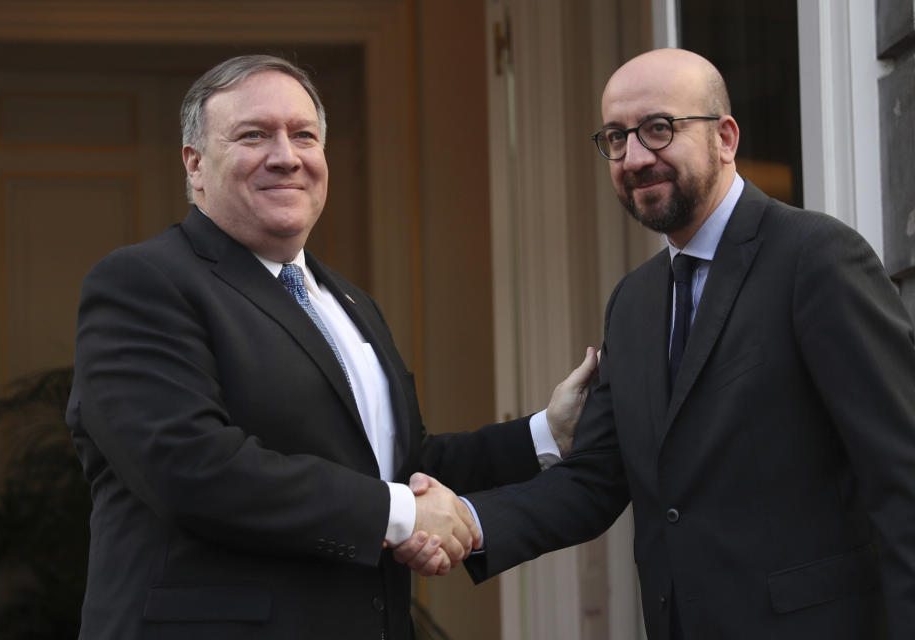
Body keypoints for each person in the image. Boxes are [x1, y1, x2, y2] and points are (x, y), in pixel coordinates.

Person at [65, 54, 597, 640]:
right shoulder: (143, 281)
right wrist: (399, 516)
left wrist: (546, 435)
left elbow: (401, 468)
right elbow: (189, 466)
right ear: (195, 165)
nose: (286, 156)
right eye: (253, 135)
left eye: (304, 136)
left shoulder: (347, 301)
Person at [402, 48, 915, 640]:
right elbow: (594, 480)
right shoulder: (634, 302)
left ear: (725, 137)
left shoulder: (817, 259)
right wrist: (469, 518)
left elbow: (902, 478)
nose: (636, 157)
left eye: (659, 129)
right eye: (616, 137)